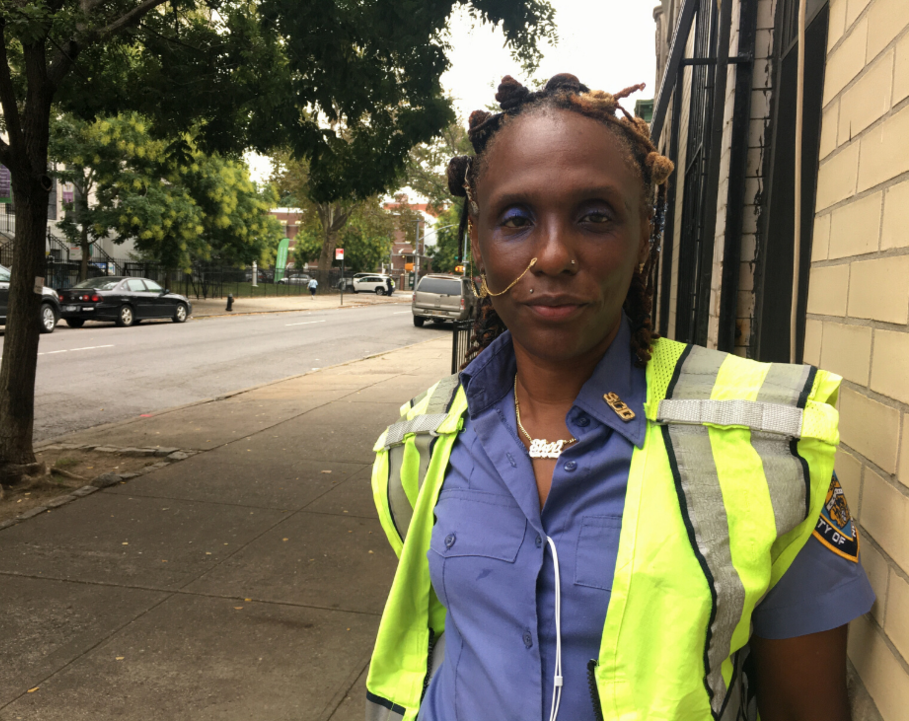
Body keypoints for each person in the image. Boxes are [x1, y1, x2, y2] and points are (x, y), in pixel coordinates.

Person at [366, 75, 874, 721]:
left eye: (595, 216)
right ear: (479, 245)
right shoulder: (425, 437)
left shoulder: (769, 439)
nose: (552, 254)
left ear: (643, 239)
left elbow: (806, 706)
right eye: (516, 219)